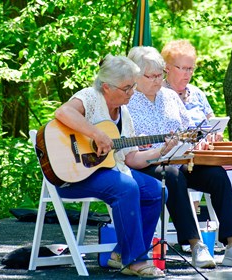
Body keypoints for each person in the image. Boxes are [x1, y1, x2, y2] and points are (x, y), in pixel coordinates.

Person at [127, 46, 232, 269]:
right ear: (136, 75)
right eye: (152, 76)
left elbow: (190, 131)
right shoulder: (126, 101)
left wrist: (202, 141)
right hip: (146, 162)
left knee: (216, 174)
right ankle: (196, 246)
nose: (158, 80)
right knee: (173, 175)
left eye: (160, 75)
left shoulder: (169, 97)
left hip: (181, 158)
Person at [53, 54, 171, 278]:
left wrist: (161, 151)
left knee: (157, 190)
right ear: (106, 87)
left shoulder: (124, 114)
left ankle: (121, 255)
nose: (132, 92)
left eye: (133, 86)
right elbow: (63, 112)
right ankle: (135, 260)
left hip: (109, 171)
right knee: (126, 187)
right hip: (72, 174)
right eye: (127, 88)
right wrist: (96, 134)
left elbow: (131, 158)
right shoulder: (89, 97)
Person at [161, 39, 232, 213]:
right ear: (166, 67)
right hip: (178, 154)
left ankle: (231, 228)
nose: (187, 74)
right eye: (182, 68)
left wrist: (216, 134)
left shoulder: (196, 93)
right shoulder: (159, 94)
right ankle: (194, 226)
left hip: (206, 151)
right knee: (195, 165)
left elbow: (212, 122)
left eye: (190, 68)